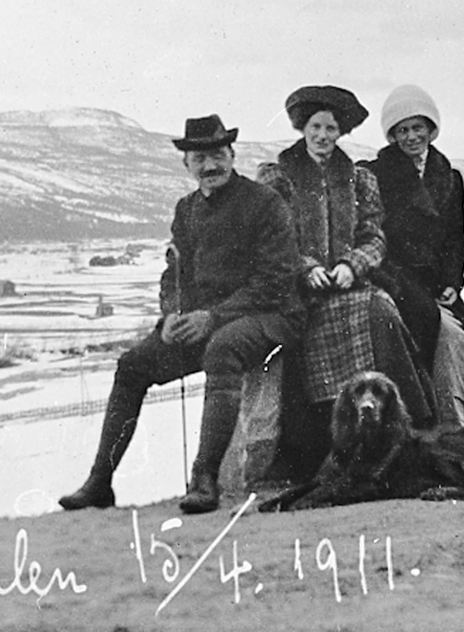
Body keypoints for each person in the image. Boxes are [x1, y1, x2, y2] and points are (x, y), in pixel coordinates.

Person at [58, 114, 305, 514]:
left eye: (218, 155)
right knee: (133, 364)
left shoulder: (265, 204)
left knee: (222, 349)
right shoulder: (186, 210)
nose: (210, 166)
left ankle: (205, 480)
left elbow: (275, 282)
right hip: (211, 321)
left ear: (231, 154)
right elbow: (174, 274)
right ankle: (99, 482)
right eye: (200, 159)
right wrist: (171, 314)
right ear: (186, 165)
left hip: (273, 318)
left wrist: (212, 317)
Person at [267, 85, 435, 480]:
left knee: (383, 311)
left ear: (341, 132)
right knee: (295, 340)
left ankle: (411, 422)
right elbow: (275, 239)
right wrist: (306, 268)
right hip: (301, 289)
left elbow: (374, 237)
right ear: (302, 129)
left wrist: (351, 265)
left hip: (350, 284)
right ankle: (313, 449)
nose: (323, 136)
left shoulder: (359, 179)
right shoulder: (279, 178)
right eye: (316, 127)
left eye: (331, 128)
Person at [363, 84, 464, 444]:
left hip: (435, 280)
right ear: (392, 135)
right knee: (425, 325)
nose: (411, 137)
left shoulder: (450, 177)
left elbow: (455, 237)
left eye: (418, 128)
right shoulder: (377, 173)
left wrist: (452, 281)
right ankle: (425, 425)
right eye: (402, 130)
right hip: (396, 275)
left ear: (431, 129)